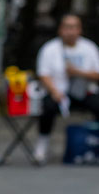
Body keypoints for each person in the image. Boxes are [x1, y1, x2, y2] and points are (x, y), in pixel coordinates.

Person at [33, 13, 99, 164]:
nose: (71, 31)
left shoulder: (89, 48)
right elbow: (43, 74)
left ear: (80, 30)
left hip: (84, 92)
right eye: (68, 27)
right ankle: (42, 144)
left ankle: (93, 144)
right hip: (58, 93)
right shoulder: (50, 49)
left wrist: (78, 72)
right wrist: (54, 91)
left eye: (75, 27)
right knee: (47, 107)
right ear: (61, 29)